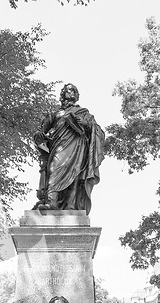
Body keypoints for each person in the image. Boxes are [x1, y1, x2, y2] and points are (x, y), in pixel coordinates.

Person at [33, 83, 105, 214]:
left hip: (77, 147)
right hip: (58, 146)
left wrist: (86, 124)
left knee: (74, 175)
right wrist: (39, 135)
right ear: (62, 94)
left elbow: (97, 131)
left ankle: (70, 207)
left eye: (73, 91)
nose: (70, 92)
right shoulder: (56, 113)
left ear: (76, 96)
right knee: (53, 169)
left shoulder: (84, 113)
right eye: (67, 90)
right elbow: (41, 131)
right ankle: (51, 201)